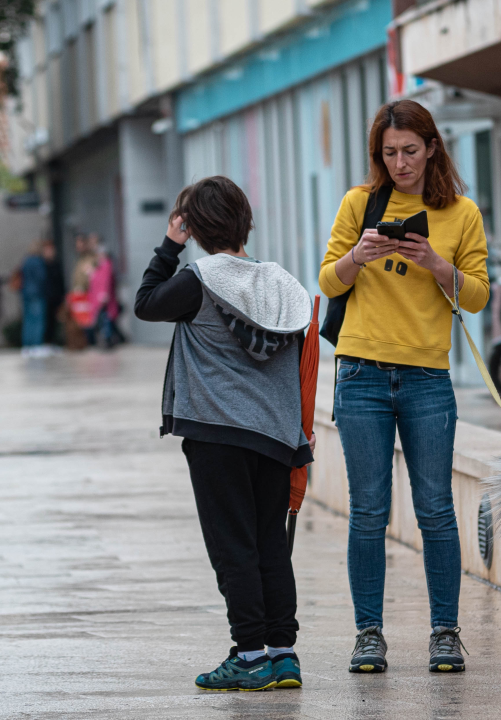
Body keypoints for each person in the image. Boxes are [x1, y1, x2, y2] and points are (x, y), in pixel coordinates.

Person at [318, 99, 489, 674]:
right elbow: (325, 279)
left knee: (436, 509)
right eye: (389, 153)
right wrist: (358, 256)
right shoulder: (358, 203)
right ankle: (369, 634)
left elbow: (478, 295)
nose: (400, 163)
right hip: (362, 371)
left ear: (432, 148)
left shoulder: (461, 213)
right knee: (368, 511)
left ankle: (445, 633)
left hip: (425, 377)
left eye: (410, 151)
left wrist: (438, 265)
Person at [135, 176, 314, 692]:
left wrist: (170, 244)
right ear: (246, 221)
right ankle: (283, 656)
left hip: (217, 435)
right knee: (269, 546)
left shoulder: (197, 280)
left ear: (194, 227)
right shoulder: (282, 285)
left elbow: (146, 303)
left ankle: (250, 655)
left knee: (232, 547)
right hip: (276, 438)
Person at [88, 244, 125, 349]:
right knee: (104, 320)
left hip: (105, 300)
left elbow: (106, 281)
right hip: (100, 299)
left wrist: (104, 294)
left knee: (106, 320)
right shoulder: (100, 266)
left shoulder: (107, 265)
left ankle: (108, 339)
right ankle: (111, 339)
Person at [20, 240, 48, 356]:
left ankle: (27, 346)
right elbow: (42, 277)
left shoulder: (25, 261)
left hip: (26, 293)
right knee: (38, 320)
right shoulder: (38, 261)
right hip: (37, 293)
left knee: (28, 320)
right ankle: (36, 345)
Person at [42, 241, 65, 347]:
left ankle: (55, 341)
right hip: (46, 297)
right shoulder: (42, 265)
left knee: (57, 320)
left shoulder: (56, 264)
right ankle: (48, 342)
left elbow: (60, 281)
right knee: (47, 321)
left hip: (56, 296)